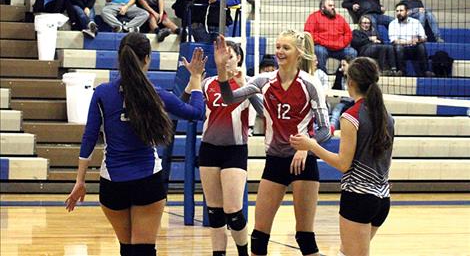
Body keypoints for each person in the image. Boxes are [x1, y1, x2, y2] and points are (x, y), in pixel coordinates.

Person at [65, 32, 206, 256]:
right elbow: (196, 113)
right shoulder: (155, 95)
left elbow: (89, 138)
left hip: (113, 183)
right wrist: (196, 79)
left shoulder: (102, 93)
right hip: (147, 181)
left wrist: (80, 181)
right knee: (143, 251)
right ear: (147, 58)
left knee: (128, 250)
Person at [214, 30, 331, 256]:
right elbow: (229, 99)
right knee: (258, 237)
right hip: (275, 161)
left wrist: (307, 146)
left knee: (305, 238)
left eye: (285, 48)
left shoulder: (310, 84)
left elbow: (325, 129)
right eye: (277, 46)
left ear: (299, 53)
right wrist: (221, 70)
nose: (279, 51)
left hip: (303, 164)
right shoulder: (263, 81)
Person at [290, 57, 394, 256]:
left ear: (351, 82)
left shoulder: (351, 116)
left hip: (358, 197)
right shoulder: (386, 116)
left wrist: (311, 145)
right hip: (382, 199)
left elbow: (343, 164)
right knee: (345, 252)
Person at [182, 41, 261, 256]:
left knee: (233, 212)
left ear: (239, 60)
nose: (226, 60)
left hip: (235, 150)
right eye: (222, 55)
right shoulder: (208, 83)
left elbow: (261, 111)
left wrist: (241, 81)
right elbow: (183, 104)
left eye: (230, 56)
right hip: (209, 149)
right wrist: (193, 78)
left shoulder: (248, 84)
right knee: (215, 212)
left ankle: (243, 252)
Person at [304, 0, 356, 73]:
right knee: (319, 50)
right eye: (330, 5)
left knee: (352, 52)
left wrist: (341, 43)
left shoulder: (340, 18)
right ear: (322, 7)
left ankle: (341, 73)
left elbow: (348, 34)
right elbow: (309, 34)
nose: (333, 7)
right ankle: (323, 75)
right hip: (323, 47)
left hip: (339, 48)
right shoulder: (314, 17)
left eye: (333, 5)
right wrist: (324, 42)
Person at [388, 2, 433, 77]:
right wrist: (408, 42)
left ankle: (426, 71)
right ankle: (401, 71)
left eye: (401, 11)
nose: (399, 13)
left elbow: (424, 38)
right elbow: (394, 41)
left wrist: (417, 40)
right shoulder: (393, 23)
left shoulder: (415, 22)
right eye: (397, 11)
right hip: (401, 49)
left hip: (414, 48)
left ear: (407, 12)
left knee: (421, 46)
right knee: (398, 47)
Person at [329, 57, 354, 132]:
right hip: (344, 102)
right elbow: (335, 94)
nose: (341, 68)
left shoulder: (356, 78)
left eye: (344, 65)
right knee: (337, 109)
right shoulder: (341, 76)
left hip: (355, 101)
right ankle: (332, 128)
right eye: (340, 66)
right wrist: (338, 77)